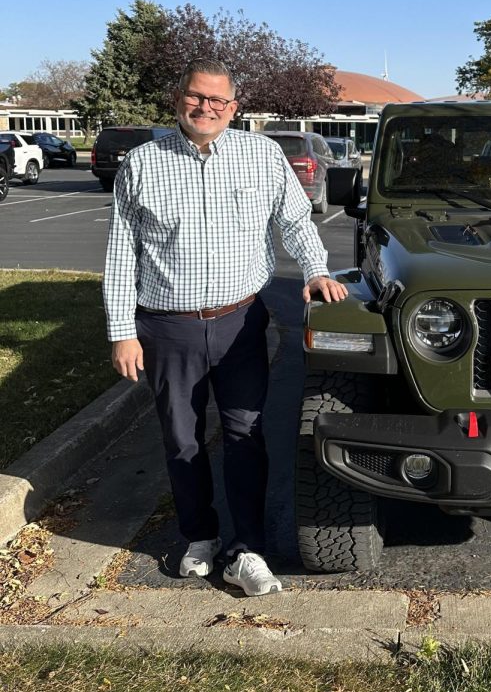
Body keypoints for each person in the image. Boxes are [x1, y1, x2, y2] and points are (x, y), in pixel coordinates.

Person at [102, 59, 347, 597]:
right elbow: (122, 255)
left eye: (218, 101)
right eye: (196, 97)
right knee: (182, 438)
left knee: (246, 434)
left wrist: (316, 271)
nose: (206, 108)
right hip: (168, 328)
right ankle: (200, 536)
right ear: (178, 98)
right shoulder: (142, 164)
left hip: (240, 321)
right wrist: (122, 330)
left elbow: (293, 220)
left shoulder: (261, 156)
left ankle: (247, 549)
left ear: (234, 107)